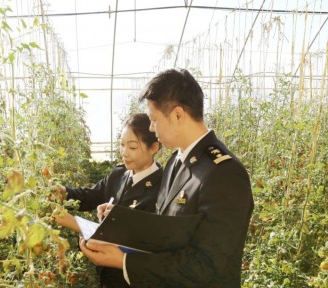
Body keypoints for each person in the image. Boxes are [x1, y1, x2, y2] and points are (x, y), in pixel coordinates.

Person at [79, 68, 254, 287]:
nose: (151, 127)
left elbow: (208, 264)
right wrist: (122, 221)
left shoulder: (224, 173)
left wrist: (124, 261)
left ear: (178, 115)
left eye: (154, 119)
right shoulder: (175, 163)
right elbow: (165, 231)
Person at [54, 112, 163, 288]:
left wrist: (75, 223)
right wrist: (63, 192)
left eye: (133, 147)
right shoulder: (119, 174)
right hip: (108, 277)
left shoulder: (163, 187)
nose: (124, 153)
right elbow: (90, 196)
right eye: (122, 145)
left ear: (154, 148)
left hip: (134, 279)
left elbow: (145, 242)